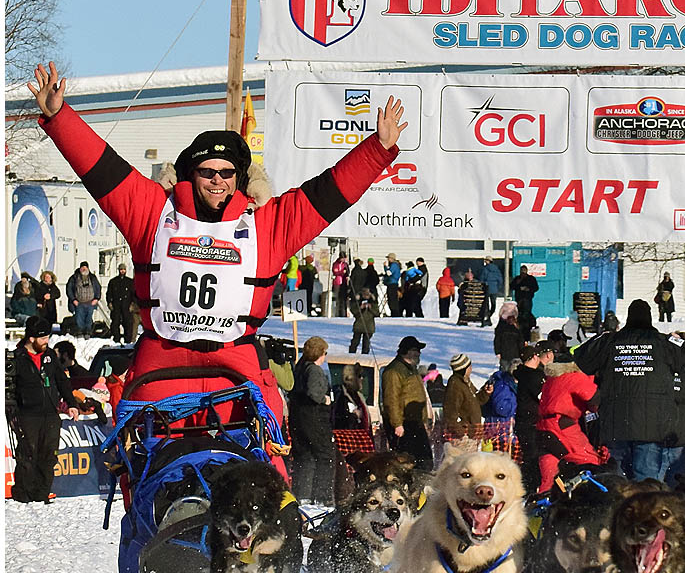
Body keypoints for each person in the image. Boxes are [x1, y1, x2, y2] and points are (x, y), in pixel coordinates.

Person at [29, 61, 406, 441]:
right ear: (191, 174)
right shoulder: (153, 214)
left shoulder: (265, 228)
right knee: (137, 460)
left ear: (238, 179)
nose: (217, 181)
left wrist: (377, 150)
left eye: (226, 173)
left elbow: (325, 195)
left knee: (269, 473)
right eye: (207, 171)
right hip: (163, 364)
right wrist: (60, 118)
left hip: (235, 368)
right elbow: (102, 168)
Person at [572, 299, 685, 482]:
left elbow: (581, 358)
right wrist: (676, 341)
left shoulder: (610, 341)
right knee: (645, 486)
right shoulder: (664, 343)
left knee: (615, 484)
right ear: (649, 318)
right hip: (653, 427)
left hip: (615, 425)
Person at [10, 316, 87, 503]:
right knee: (28, 455)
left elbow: (62, 382)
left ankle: (42, 493)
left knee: (49, 456)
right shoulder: (17, 358)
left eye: (48, 338)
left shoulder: (50, 356)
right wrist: (13, 413)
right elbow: (10, 389)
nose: (46, 342)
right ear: (31, 339)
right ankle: (24, 495)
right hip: (28, 415)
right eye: (43, 338)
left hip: (51, 414)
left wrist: (72, 404)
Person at [534, 357, 601, 492]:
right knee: (589, 460)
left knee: (550, 472)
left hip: (543, 427)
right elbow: (594, 398)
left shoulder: (552, 379)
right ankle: (588, 497)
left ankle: (542, 503)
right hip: (562, 426)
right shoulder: (574, 376)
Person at [289, 337, 335, 505]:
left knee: (304, 456)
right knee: (325, 456)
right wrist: (325, 399)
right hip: (315, 418)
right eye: (325, 353)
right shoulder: (314, 370)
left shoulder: (299, 367)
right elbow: (314, 394)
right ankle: (322, 496)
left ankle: (302, 493)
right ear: (319, 353)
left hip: (298, 418)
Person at [381, 335, 432, 467]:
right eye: (416, 350)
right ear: (406, 351)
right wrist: (397, 424)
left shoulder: (411, 369)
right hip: (404, 425)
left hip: (416, 422)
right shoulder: (394, 371)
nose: (419, 353)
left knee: (424, 461)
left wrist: (424, 420)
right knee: (406, 462)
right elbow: (391, 399)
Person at [514, 341, 554, 492]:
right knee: (533, 459)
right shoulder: (533, 377)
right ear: (534, 358)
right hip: (531, 423)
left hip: (525, 422)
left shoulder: (523, 374)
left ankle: (529, 487)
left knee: (530, 457)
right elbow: (543, 397)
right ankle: (530, 489)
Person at [442, 353, 492, 437]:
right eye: (469, 366)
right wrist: (461, 432)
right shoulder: (455, 385)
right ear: (463, 369)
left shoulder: (465, 382)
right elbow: (450, 414)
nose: (471, 368)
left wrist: (485, 392)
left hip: (472, 433)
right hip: (463, 437)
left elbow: (475, 400)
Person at [65, 261, 101, 337]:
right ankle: (80, 332)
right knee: (79, 318)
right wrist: (73, 299)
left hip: (90, 302)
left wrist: (97, 298)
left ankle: (88, 332)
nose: (84, 269)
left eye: (85, 267)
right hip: (79, 303)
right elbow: (69, 289)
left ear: (88, 268)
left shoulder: (92, 277)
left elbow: (98, 288)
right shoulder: (74, 277)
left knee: (89, 318)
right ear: (80, 268)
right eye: (82, 268)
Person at [106, 263, 136, 343]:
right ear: (118, 270)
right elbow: (109, 293)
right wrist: (109, 303)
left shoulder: (130, 282)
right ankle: (116, 339)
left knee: (128, 324)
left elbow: (133, 294)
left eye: (123, 269)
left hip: (126, 306)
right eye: (121, 269)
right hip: (116, 306)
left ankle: (128, 340)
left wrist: (132, 304)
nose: (122, 271)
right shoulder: (113, 282)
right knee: (115, 323)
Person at [494, 302, 525, 370]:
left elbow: (497, 340)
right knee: (515, 371)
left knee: (504, 371)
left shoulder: (501, 328)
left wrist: (497, 352)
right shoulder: (518, 329)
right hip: (516, 354)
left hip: (504, 354)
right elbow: (521, 342)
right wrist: (522, 352)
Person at [349, 287, 377, 354]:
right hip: (359, 325)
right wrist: (360, 308)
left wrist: (371, 308)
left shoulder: (373, 302)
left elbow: (377, 313)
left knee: (366, 345)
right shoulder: (357, 302)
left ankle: (365, 357)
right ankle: (351, 355)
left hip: (369, 326)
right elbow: (354, 311)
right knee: (355, 342)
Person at [478, 255, 504, 326]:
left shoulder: (485, 269)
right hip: (494, 289)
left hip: (487, 288)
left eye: (486, 260)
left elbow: (482, 279)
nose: (485, 262)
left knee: (486, 305)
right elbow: (500, 280)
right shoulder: (496, 269)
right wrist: (498, 287)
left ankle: (487, 318)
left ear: (488, 261)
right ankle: (489, 317)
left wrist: (482, 286)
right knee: (493, 304)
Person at [331, 252, 350, 317]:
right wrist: (342, 272)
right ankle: (337, 312)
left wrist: (345, 273)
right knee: (337, 297)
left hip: (344, 282)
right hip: (337, 282)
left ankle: (343, 312)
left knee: (344, 298)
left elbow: (347, 272)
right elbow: (335, 271)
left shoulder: (345, 264)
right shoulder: (336, 264)